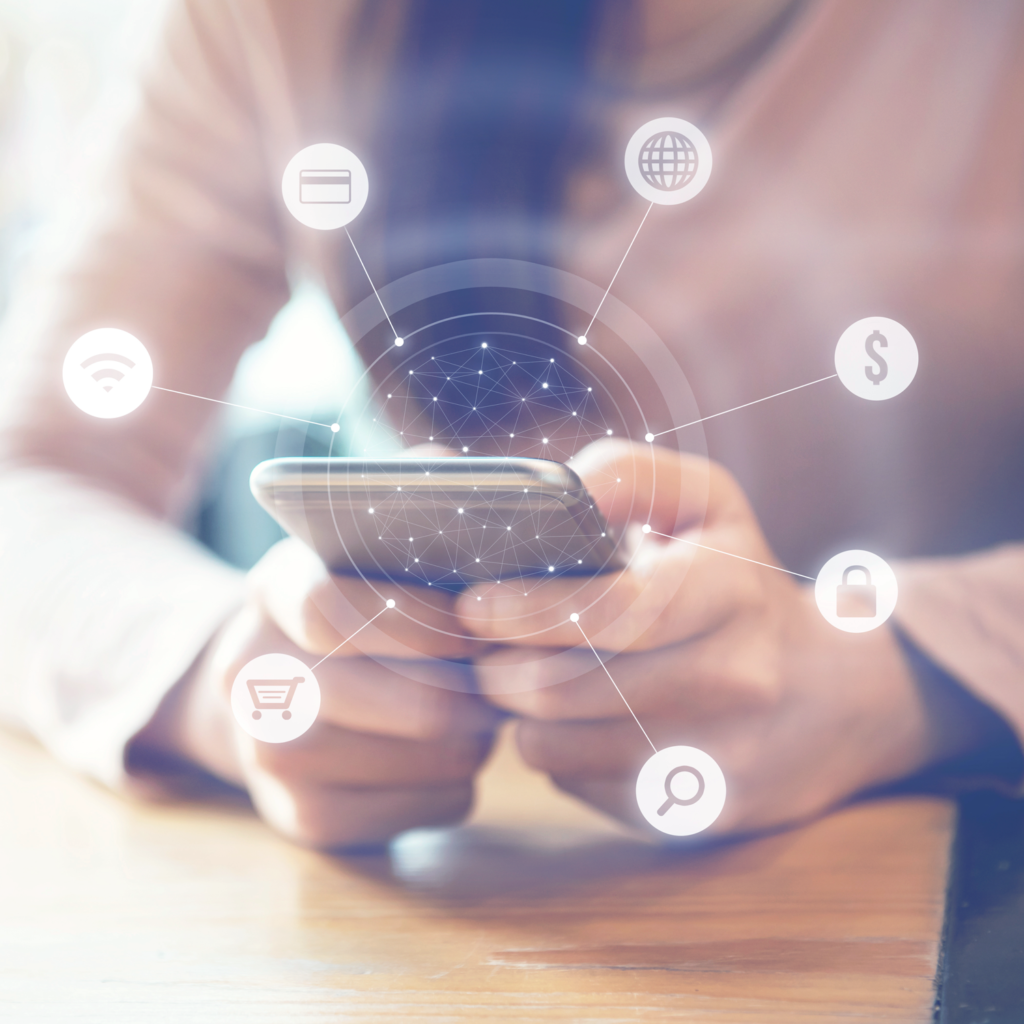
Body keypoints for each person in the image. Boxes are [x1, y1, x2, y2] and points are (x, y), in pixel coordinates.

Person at [0, 0, 1021, 849]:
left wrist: (888, 680)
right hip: (476, 894)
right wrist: (224, 679)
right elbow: (29, 481)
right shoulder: (272, 21)